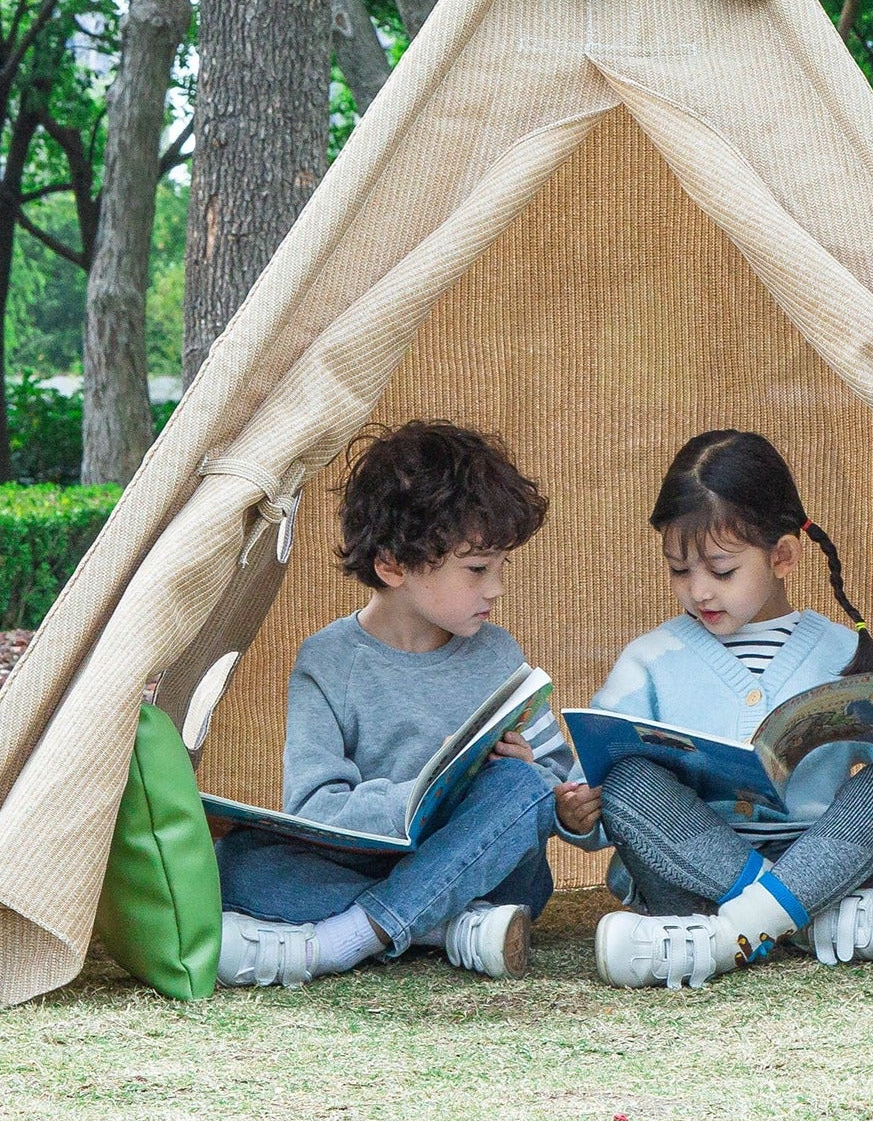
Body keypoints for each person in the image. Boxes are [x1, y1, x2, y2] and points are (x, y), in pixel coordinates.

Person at [214, 421, 602, 987]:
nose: (495, 588)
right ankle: (444, 929)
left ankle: (342, 941)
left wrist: (565, 806)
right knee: (237, 866)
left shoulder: (498, 654)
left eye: (501, 567)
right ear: (393, 564)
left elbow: (556, 788)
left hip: (489, 873)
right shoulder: (328, 662)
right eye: (476, 569)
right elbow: (315, 809)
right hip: (374, 862)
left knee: (522, 789)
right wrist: (419, 797)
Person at [590, 429, 873, 989]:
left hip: (819, 858)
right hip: (688, 868)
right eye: (679, 570)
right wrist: (577, 809)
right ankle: (811, 923)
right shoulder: (651, 659)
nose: (698, 591)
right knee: (627, 781)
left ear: (783, 556)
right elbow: (596, 783)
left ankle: (717, 939)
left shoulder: (849, 653)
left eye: (721, 570)